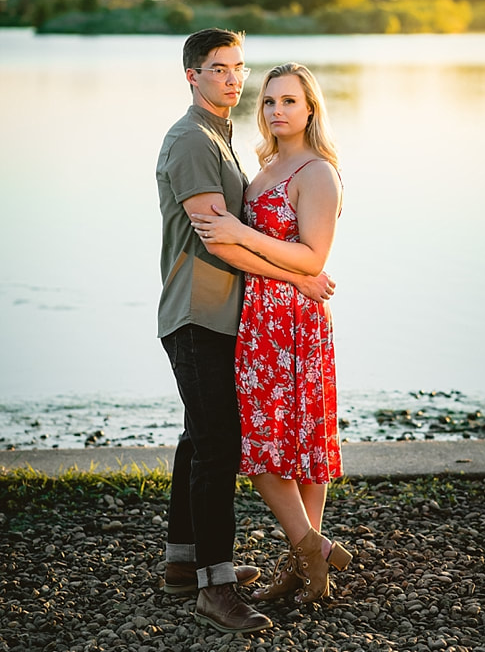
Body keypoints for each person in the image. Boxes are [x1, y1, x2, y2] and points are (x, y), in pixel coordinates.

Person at [156, 30, 334, 634]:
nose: (234, 80)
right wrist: (301, 277)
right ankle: (218, 586)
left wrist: (298, 275)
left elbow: (241, 234)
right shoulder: (192, 140)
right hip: (199, 312)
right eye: (217, 69)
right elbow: (218, 237)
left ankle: (184, 564)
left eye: (238, 68)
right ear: (192, 76)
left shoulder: (225, 141)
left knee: (198, 438)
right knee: (218, 447)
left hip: (234, 315)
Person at [189, 62, 352, 604]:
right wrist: (238, 238)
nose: (277, 110)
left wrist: (236, 229)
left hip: (295, 322)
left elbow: (315, 256)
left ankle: (308, 553)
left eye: (289, 101)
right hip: (261, 316)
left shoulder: (317, 172)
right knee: (269, 444)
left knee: (287, 445)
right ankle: (312, 559)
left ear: (310, 109)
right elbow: (269, 255)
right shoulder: (264, 167)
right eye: (269, 102)